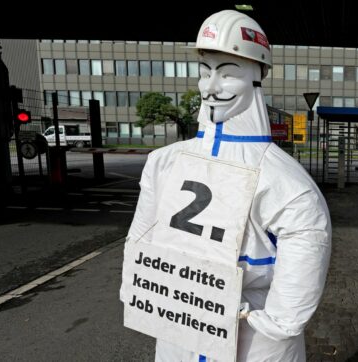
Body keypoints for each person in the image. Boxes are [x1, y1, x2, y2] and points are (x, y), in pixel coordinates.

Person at [124, 10, 331, 361]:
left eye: (228, 74)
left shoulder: (287, 182)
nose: (211, 87)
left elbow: (292, 304)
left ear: (256, 79)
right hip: (182, 326)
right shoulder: (164, 162)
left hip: (249, 342)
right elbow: (141, 249)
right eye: (206, 73)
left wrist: (253, 323)